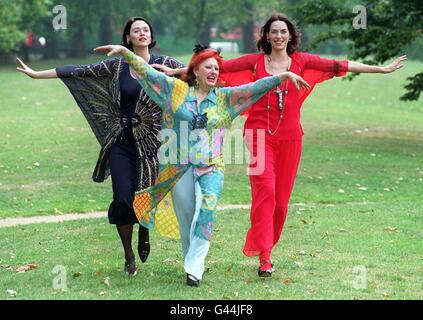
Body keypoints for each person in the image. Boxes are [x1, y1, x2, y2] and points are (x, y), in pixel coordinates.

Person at [154, 12, 407, 278]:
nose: (278, 36)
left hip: (290, 139)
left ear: (290, 35)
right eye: (273, 32)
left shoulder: (302, 61)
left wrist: (381, 68)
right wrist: (177, 71)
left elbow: (338, 64)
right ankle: (265, 258)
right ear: (266, 36)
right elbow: (216, 67)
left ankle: (266, 248)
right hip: (258, 137)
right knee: (266, 190)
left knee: (281, 203)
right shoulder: (254, 63)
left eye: (283, 32)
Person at [93, 42, 311, 286]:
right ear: (195, 70)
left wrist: (282, 76)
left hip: (211, 167)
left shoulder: (225, 98)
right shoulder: (176, 91)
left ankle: (195, 269)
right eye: (208, 67)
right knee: (187, 218)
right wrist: (126, 52)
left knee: (205, 212)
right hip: (179, 168)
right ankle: (191, 263)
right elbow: (149, 74)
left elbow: (254, 88)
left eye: (217, 68)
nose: (214, 72)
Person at [16, 17, 185, 276]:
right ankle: (129, 256)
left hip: (153, 143)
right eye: (136, 30)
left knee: (145, 197)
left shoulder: (166, 64)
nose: (141, 33)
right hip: (121, 141)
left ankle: (144, 231)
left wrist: (188, 74)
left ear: (151, 37)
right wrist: (37, 74)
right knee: (122, 198)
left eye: (146, 30)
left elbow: (197, 74)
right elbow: (79, 71)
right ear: (128, 38)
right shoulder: (117, 66)